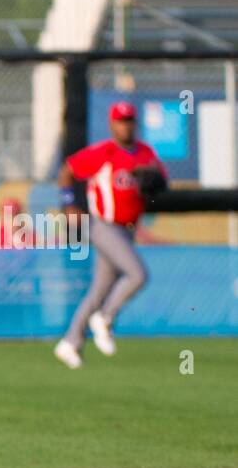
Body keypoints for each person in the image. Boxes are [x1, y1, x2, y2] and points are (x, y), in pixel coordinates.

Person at [54, 101, 167, 369]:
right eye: (120, 120)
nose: (125, 125)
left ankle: (70, 341)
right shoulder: (104, 152)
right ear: (111, 124)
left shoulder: (145, 153)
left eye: (129, 120)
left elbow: (161, 180)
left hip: (127, 229)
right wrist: (69, 204)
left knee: (99, 289)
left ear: (135, 123)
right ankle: (105, 318)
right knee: (138, 275)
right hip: (103, 224)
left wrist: (151, 180)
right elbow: (67, 171)